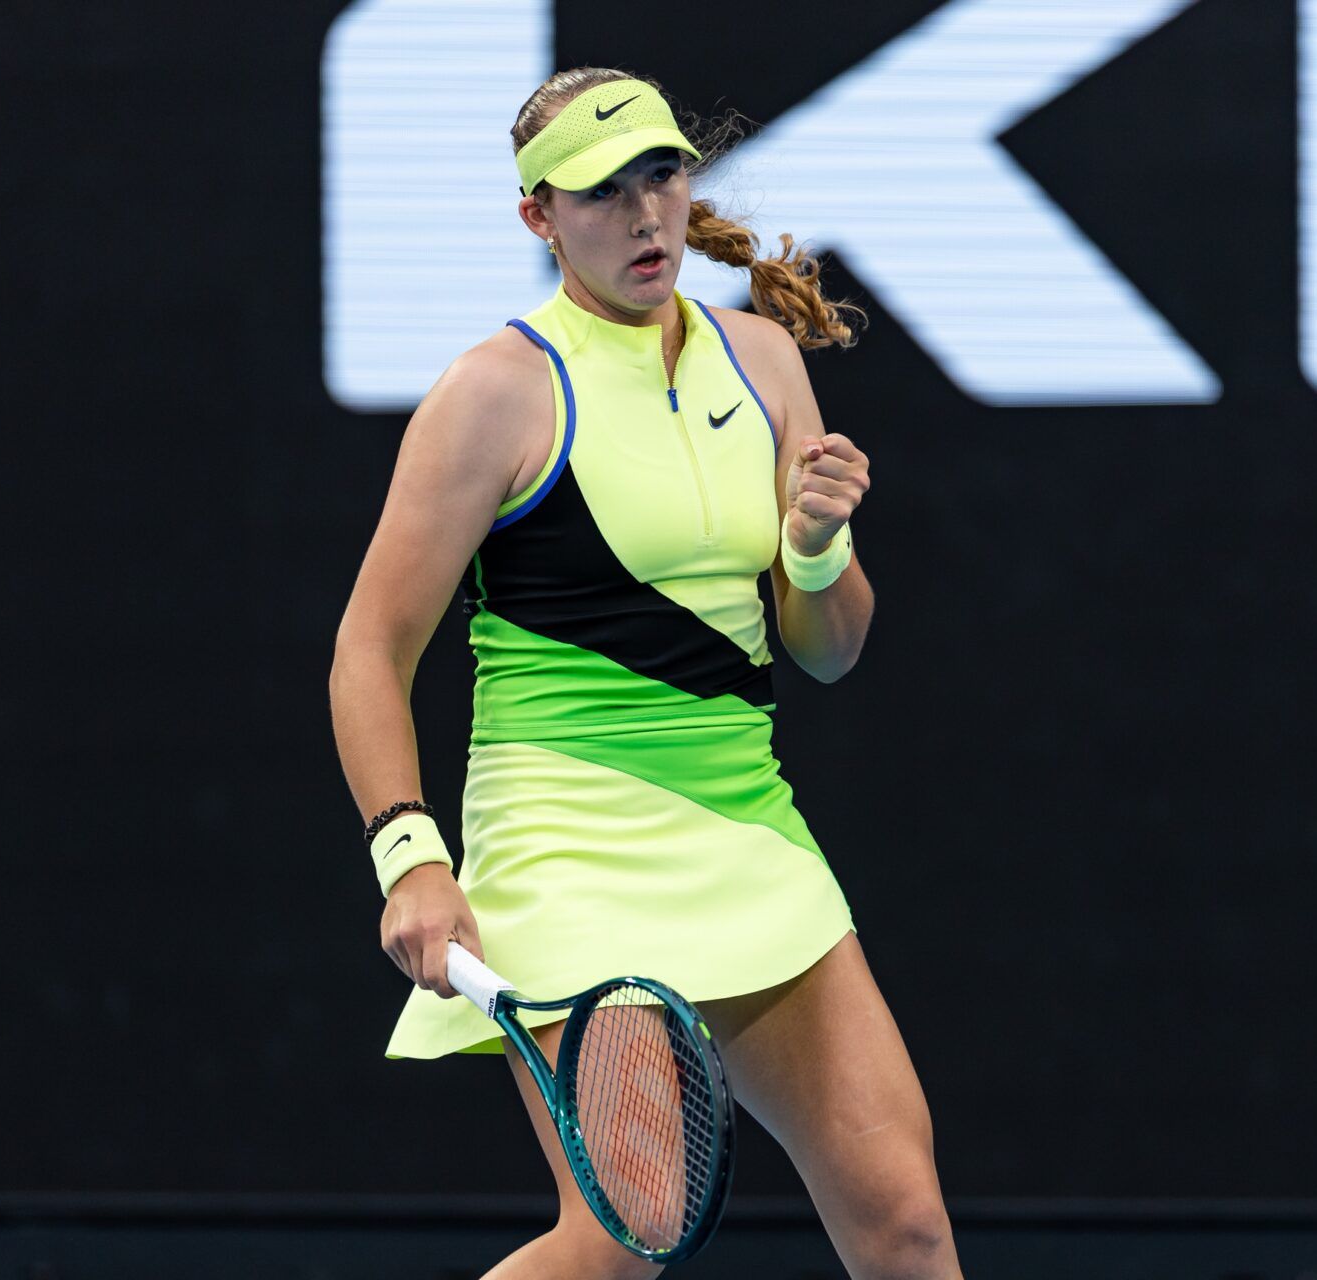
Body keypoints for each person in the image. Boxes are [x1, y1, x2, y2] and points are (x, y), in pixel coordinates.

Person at [328, 66, 963, 1279]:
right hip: (570, 842)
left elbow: (828, 650)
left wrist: (816, 550)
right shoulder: (494, 393)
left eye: (662, 175)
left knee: (908, 1223)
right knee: (625, 1239)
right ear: (539, 217)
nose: (645, 214)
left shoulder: (764, 361)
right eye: (601, 191)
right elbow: (370, 646)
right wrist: (410, 857)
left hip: (745, 826)